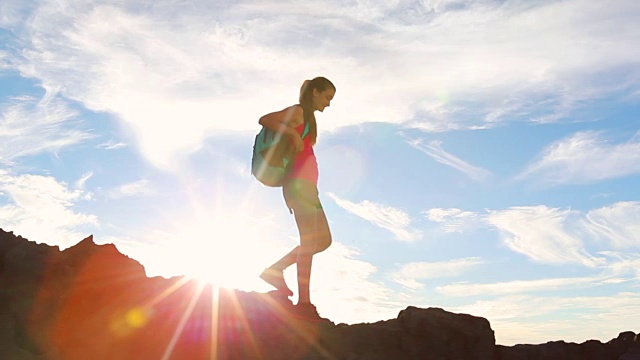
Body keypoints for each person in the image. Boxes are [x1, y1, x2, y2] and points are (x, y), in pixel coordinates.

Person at [258, 77, 336, 322]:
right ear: (315, 92)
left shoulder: (308, 118)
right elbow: (265, 119)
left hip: (308, 187)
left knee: (323, 240)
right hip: (298, 185)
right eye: (327, 97)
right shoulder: (298, 112)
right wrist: (291, 132)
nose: (328, 104)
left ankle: (275, 269)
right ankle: (304, 302)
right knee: (309, 241)